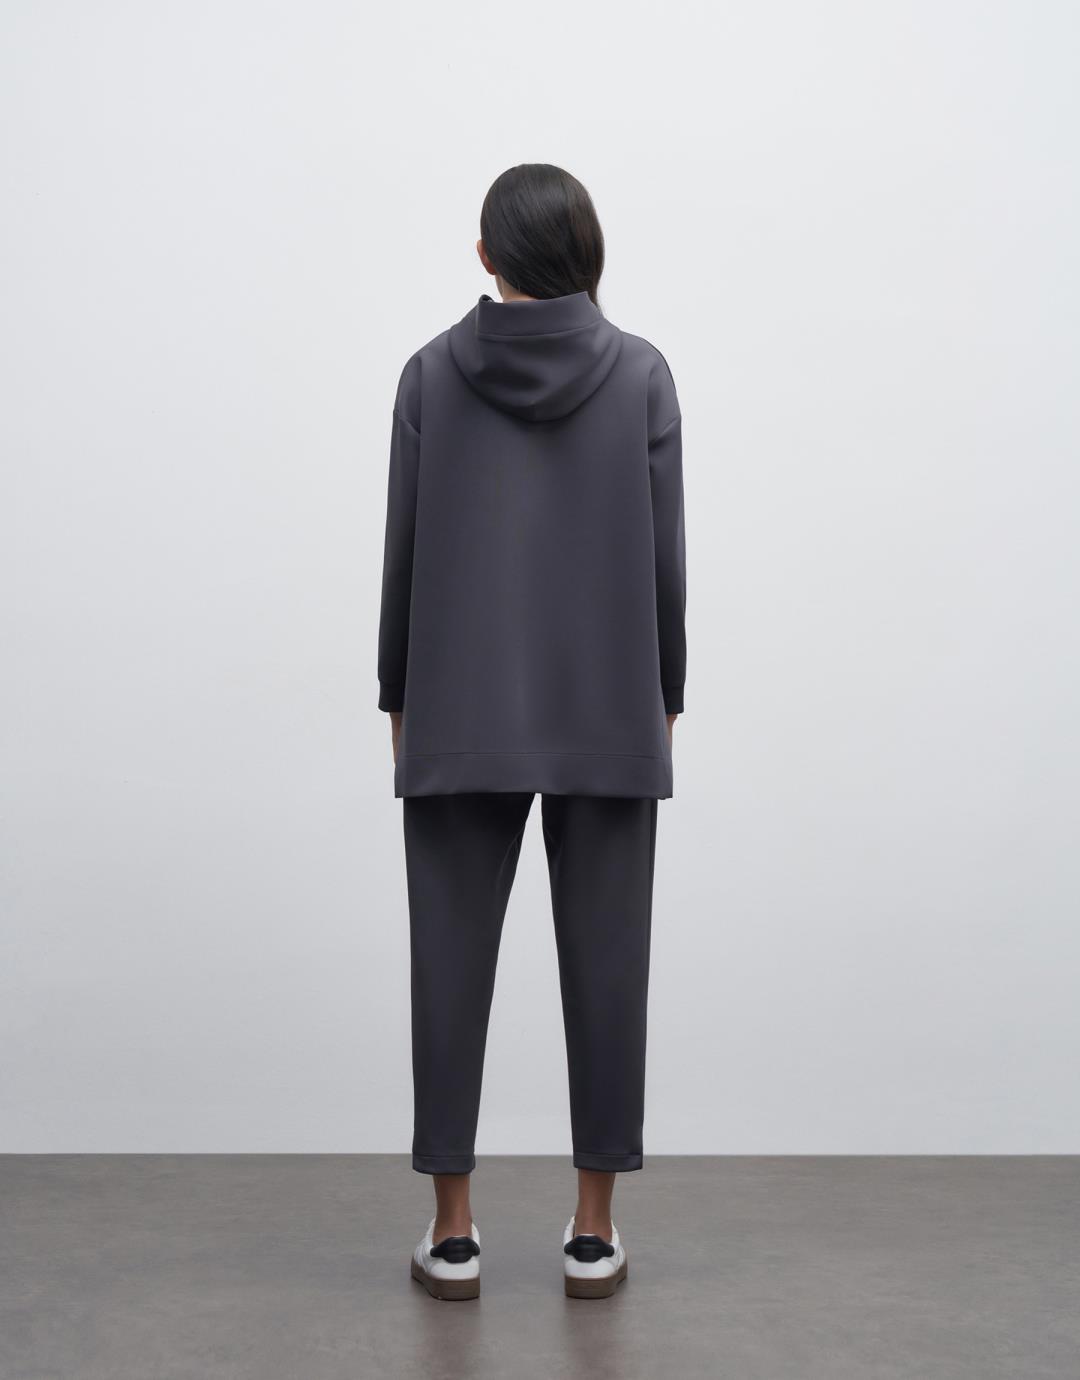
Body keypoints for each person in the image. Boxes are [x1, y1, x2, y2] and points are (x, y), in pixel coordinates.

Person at [377, 163, 686, 1301]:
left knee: (447, 965)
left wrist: (398, 697)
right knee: (610, 967)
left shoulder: (429, 374)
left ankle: (453, 1233)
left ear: (486, 257)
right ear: (588, 255)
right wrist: (665, 697)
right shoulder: (641, 374)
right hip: (610, 702)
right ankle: (592, 1233)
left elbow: (404, 551)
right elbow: (664, 557)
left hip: (458, 704)